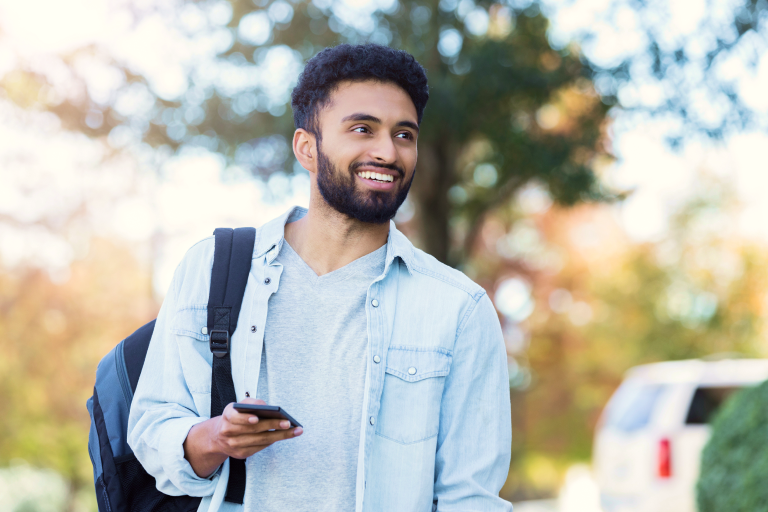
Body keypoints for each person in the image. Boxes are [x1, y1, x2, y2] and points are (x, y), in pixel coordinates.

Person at [128, 43, 511, 512]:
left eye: (404, 135)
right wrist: (214, 438)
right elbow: (151, 428)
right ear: (307, 148)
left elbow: (470, 499)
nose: (387, 151)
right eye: (362, 129)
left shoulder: (458, 308)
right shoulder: (213, 268)